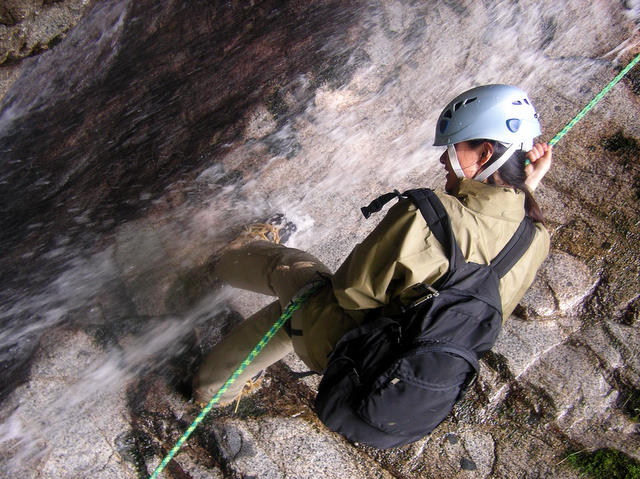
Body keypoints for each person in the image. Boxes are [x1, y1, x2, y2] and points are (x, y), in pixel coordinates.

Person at [193, 84, 552, 409]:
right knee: (293, 318)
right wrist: (527, 187)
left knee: (294, 271)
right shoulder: (535, 238)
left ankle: (218, 258)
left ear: (485, 153)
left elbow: (351, 293)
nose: (443, 159)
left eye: (453, 147)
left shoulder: (427, 216)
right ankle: (212, 390)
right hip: (386, 365)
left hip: (347, 344)